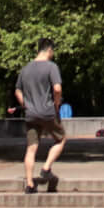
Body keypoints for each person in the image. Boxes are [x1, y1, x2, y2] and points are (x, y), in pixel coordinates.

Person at [16, 38, 67, 195]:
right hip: (48, 112)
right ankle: (46, 168)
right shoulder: (51, 67)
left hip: (31, 113)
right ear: (49, 50)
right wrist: (56, 104)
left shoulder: (25, 69)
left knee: (31, 148)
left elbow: (17, 90)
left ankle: (30, 184)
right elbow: (57, 89)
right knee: (61, 139)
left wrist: (25, 104)